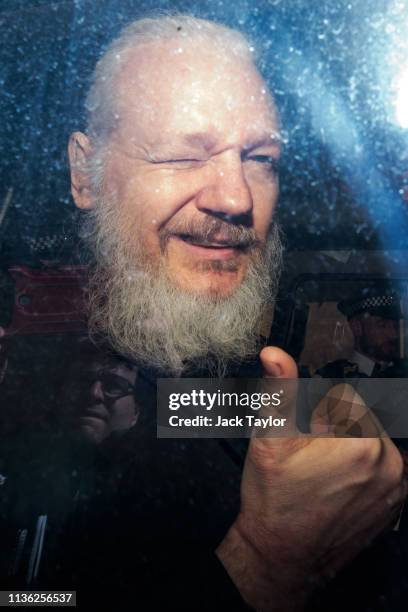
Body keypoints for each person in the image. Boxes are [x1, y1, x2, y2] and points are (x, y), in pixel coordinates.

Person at [3, 14, 406, 611]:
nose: (236, 197)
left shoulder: (239, 385)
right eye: (179, 156)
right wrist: (266, 564)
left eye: (261, 158)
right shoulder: (23, 385)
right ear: (83, 173)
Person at [317, 289, 403, 378]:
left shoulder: (402, 372)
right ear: (357, 327)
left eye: (395, 326)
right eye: (382, 325)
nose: (394, 334)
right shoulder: (333, 378)